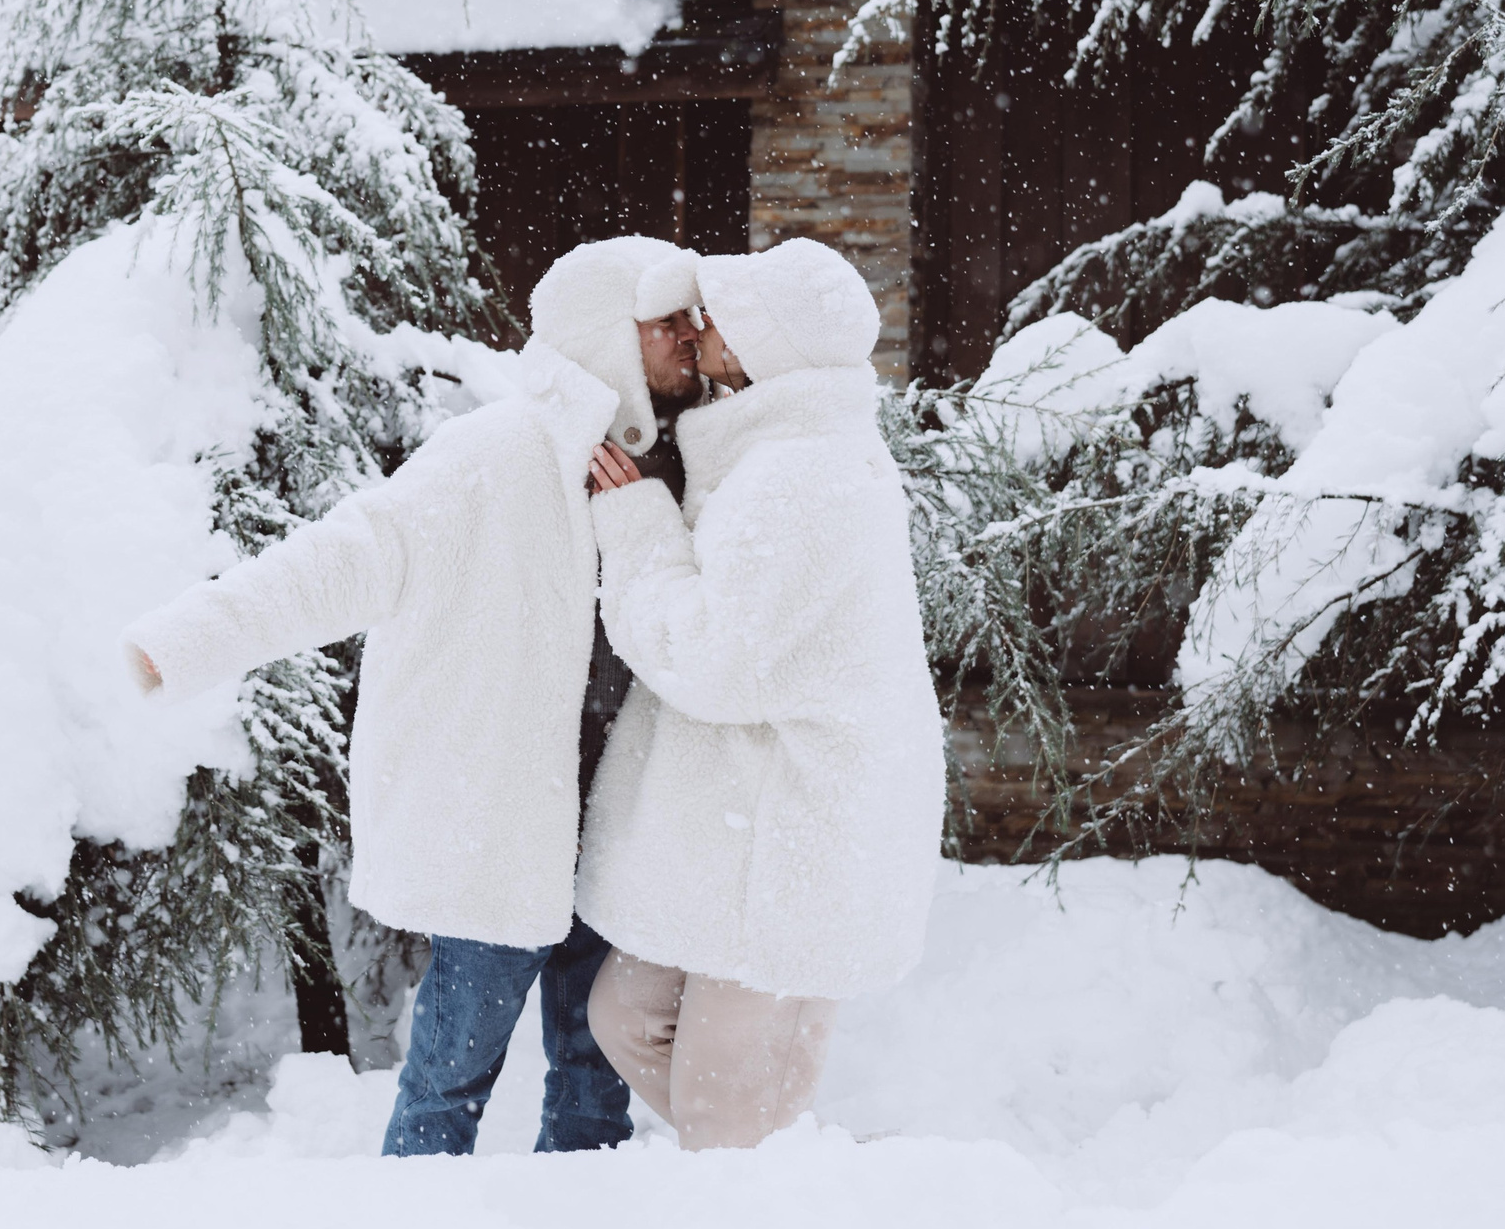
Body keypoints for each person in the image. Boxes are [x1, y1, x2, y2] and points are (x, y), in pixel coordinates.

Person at [123, 235, 704, 1155]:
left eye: (691, 319)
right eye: (666, 321)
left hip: (616, 832)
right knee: (447, 1085)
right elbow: (340, 559)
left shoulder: (683, 465)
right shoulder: (491, 457)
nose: (690, 337)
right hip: (503, 834)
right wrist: (181, 643)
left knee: (596, 1094)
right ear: (607, 335)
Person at [576, 237, 945, 1151]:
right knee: (628, 1018)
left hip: (790, 839)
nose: (698, 330)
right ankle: (765, 1165)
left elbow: (711, 657)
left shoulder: (801, 477)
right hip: (743, 826)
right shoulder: (777, 450)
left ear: (763, 348)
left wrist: (634, 528)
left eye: (721, 318)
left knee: (727, 1111)